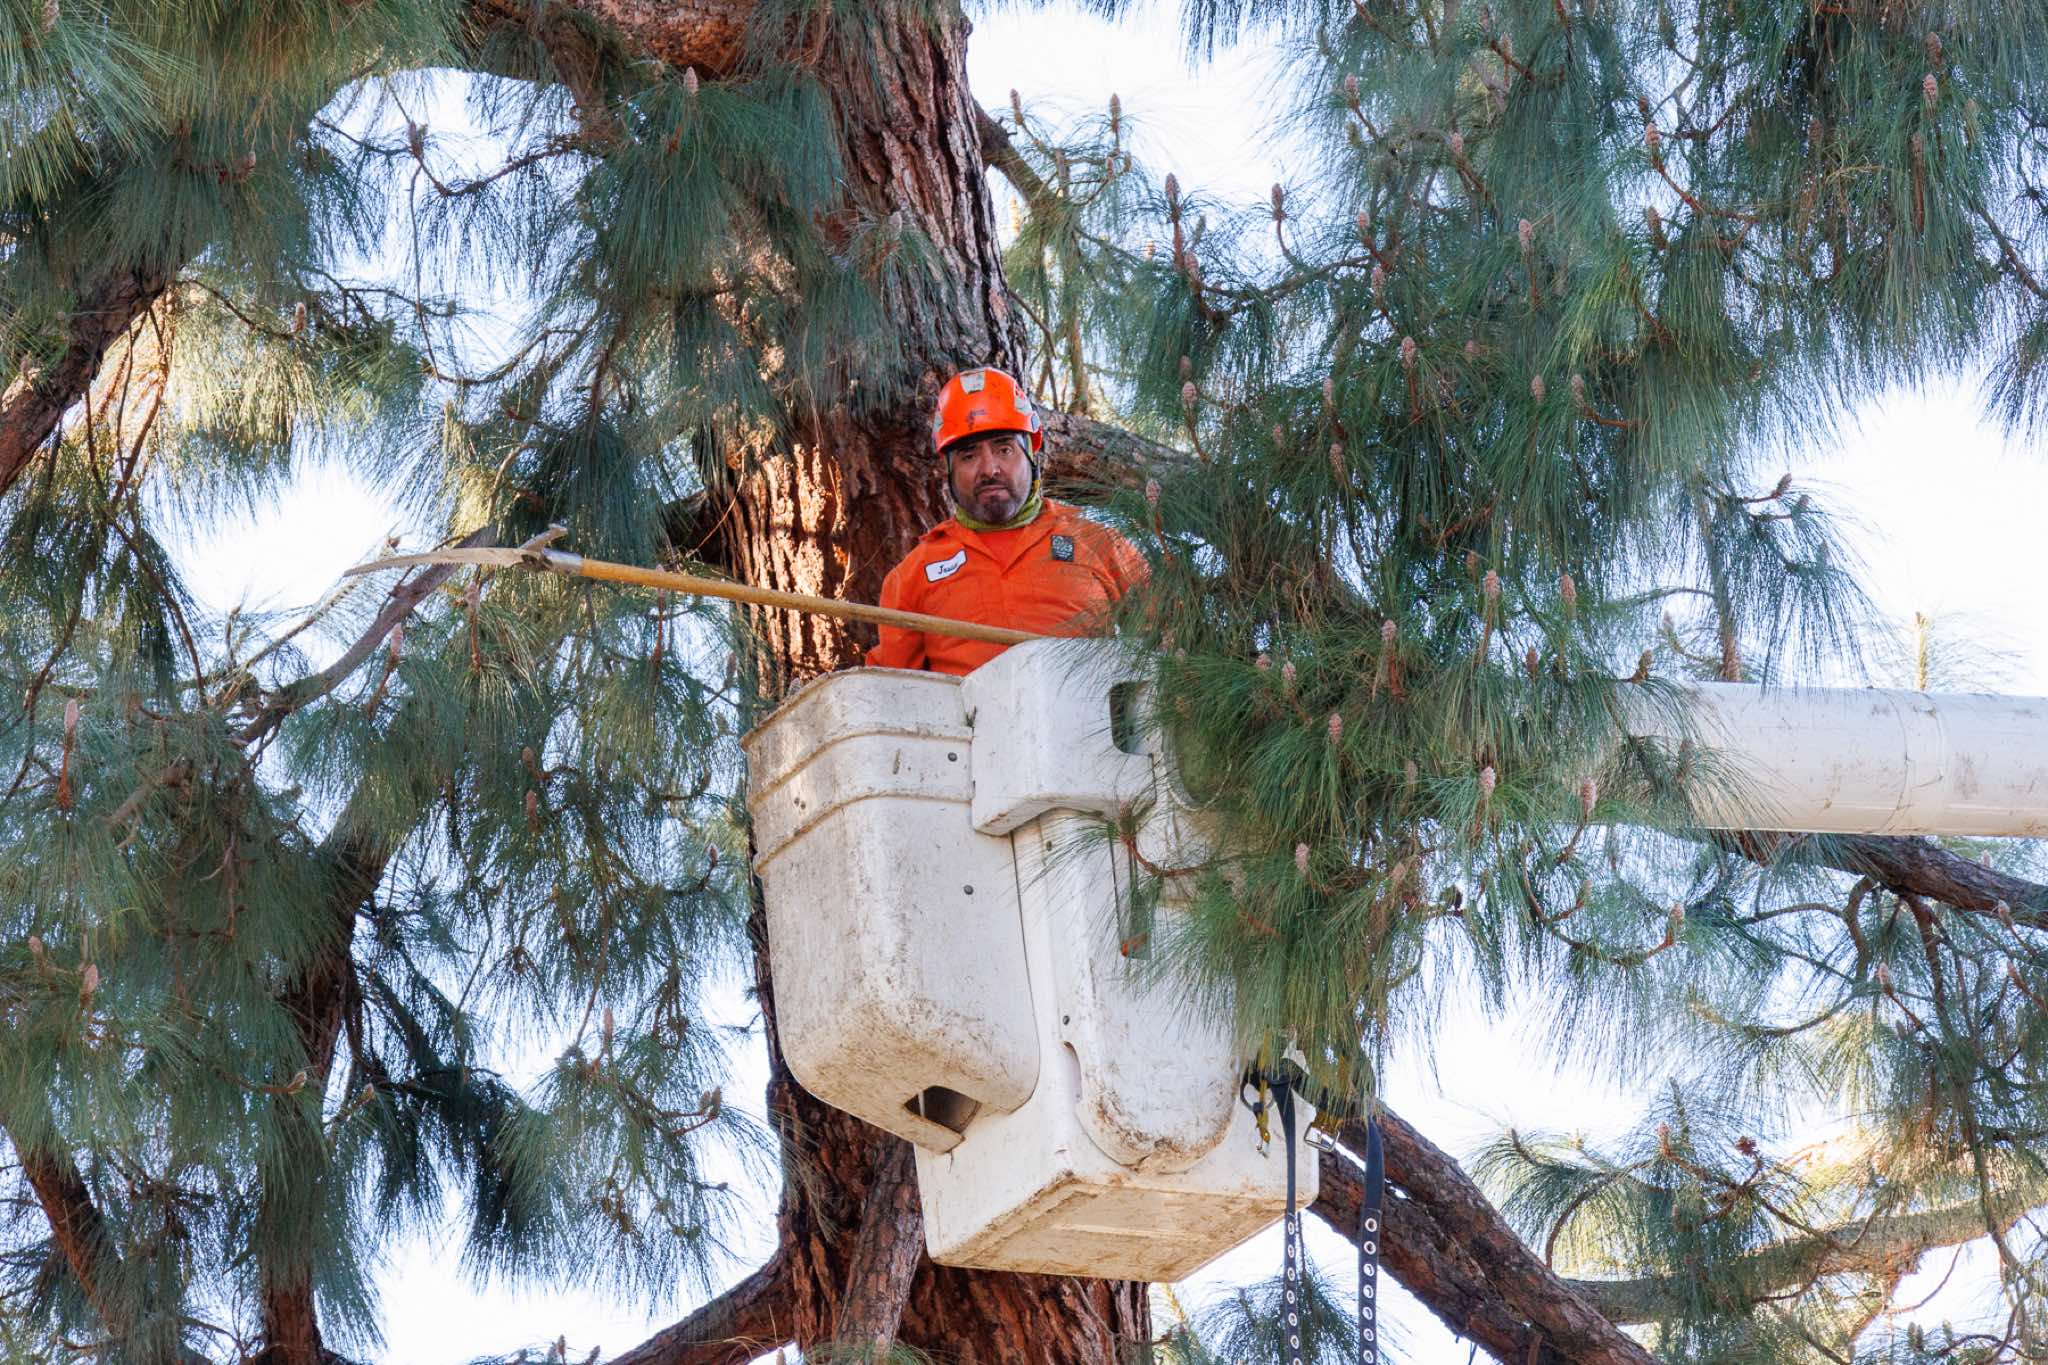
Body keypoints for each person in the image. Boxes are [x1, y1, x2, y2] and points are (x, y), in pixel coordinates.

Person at [866, 366, 1147, 676]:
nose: (989, 469)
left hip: (1085, 707)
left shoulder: (1101, 544)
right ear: (948, 470)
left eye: (1004, 449)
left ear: (1030, 455)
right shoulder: (913, 577)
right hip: (968, 710)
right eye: (969, 456)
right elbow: (890, 692)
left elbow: (1175, 642)